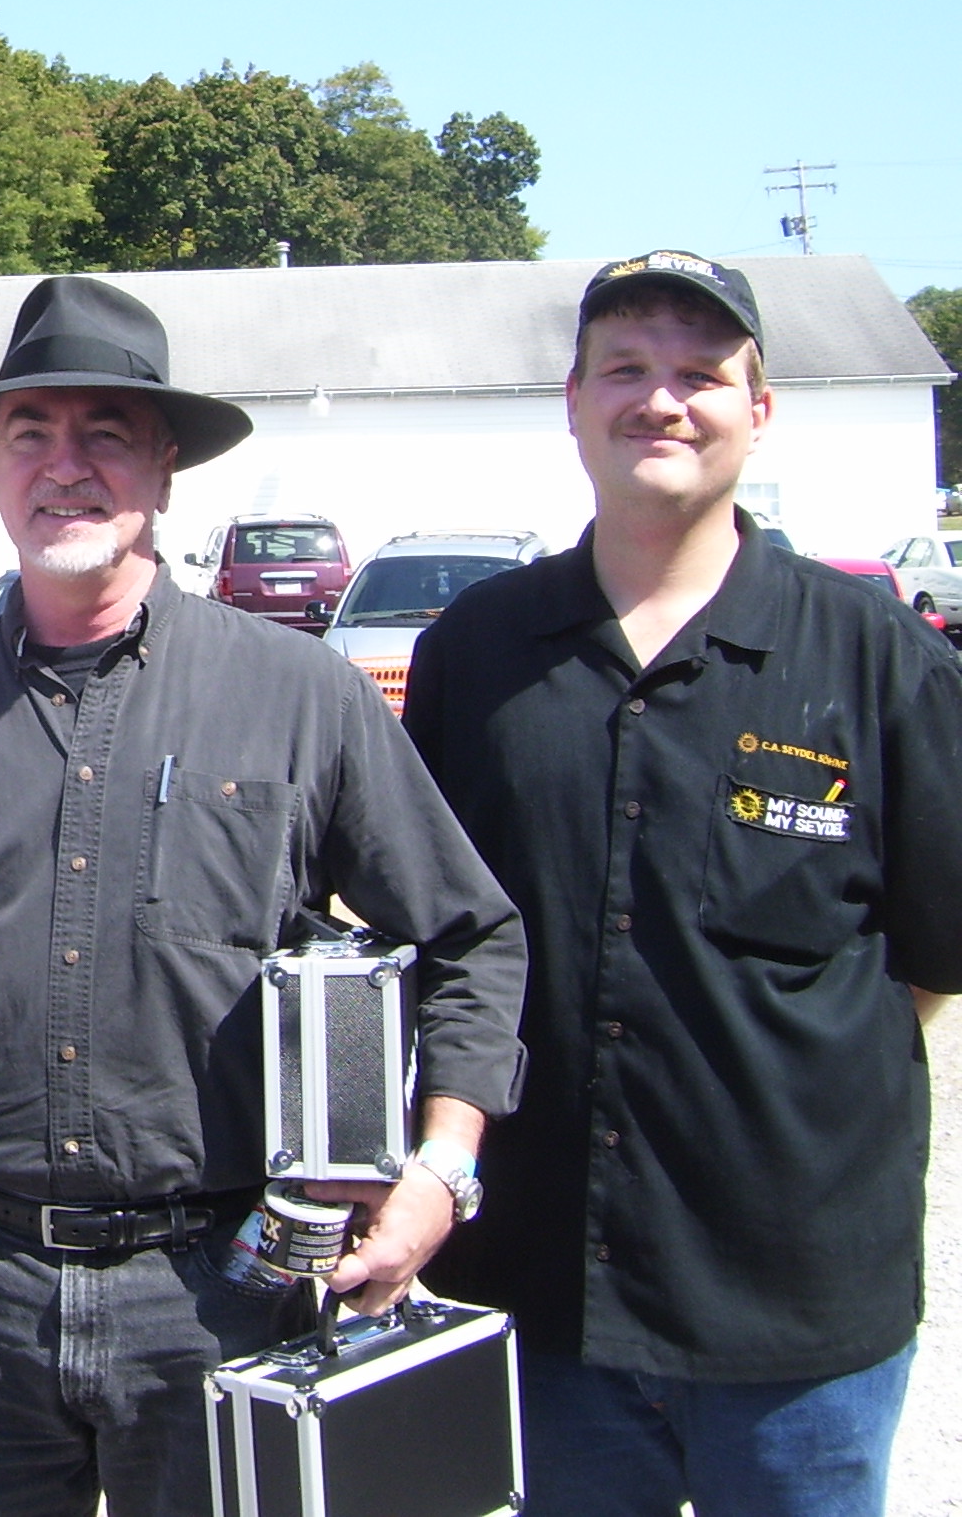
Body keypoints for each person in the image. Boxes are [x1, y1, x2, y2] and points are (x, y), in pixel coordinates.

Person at [0, 274, 530, 1516]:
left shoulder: (300, 697)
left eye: (104, 436)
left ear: (164, 471)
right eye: (30, 434)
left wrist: (438, 1167)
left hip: (220, 1291)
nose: (61, 468)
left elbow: (469, 936)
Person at [401, 250, 962, 1517]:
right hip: (544, 1300)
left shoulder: (876, 658)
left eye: (701, 374)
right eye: (625, 369)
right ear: (571, 400)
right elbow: (430, 939)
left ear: (756, 411)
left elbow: (933, 955)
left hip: (797, 1316)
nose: (661, 400)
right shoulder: (475, 655)